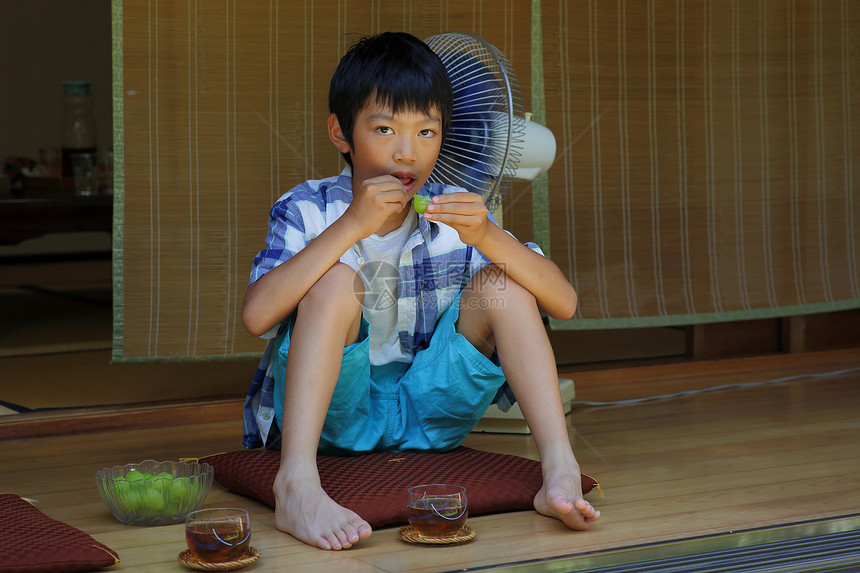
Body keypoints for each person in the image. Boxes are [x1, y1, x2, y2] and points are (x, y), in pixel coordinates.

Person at [240, 31, 599, 551]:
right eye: (384, 129)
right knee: (337, 281)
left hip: (433, 415)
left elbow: (562, 304)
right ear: (341, 133)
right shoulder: (307, 208)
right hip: (337, 417)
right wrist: (350, 227)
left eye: (426, 132)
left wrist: (489, 236)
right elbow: (257, 317)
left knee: (504, 283)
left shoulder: (455, 210)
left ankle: (561, 468)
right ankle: (296, 483)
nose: (407, 153)